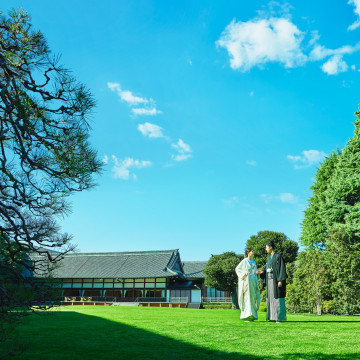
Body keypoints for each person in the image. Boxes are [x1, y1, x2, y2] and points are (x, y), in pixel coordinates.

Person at [259, 241, 287, 322]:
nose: (266, 249)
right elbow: (265, 268)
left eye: (266, 247)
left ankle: (279, 317)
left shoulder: (278, 256)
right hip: (269, 281)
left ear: (270, 247)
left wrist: (280, 280)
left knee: (277, 297)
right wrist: (262, 272)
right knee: (270, 298)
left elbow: (282, 268)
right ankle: (271, 317)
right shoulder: (268, 258)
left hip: (276, 281)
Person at [235, 248, 262, 321]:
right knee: (247, 298)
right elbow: (237, 269)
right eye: (252, 251)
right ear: (248, 252)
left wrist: (257, 273)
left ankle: (253, 315)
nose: (253, 252)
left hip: (252, 282)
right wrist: (244, 274)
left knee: (253, 298)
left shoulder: (253, 262)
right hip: (246, 282)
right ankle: (246, 315)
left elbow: (254, 271)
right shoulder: (244, 261)